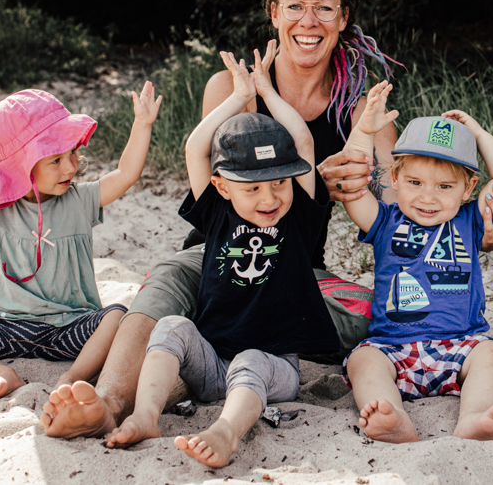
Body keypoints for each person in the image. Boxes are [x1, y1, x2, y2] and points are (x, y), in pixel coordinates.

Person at [41, 0, 493, 439]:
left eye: (324, 8)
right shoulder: (227, 90)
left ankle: (221, 373)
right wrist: (245, 99)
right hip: (215, 256)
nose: (308, 20)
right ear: (274, 13)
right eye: (294, 6)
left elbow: (411, 213)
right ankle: (110, 402)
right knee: (165, 284)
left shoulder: (360, 111)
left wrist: (478, 234)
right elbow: (207, 178)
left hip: (299, 269)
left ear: (343, 18)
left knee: (380, 319)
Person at [102, 46, 336, 468]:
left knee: (250, 361)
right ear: (223, 186)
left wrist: (266, 89)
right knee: (172, 326)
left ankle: (226, 432)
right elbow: (196, 146)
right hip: (211, 362)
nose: (270, 197)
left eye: (280, 183)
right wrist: (237, 95)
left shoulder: (298, 218)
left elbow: (302, 140)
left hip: (273, 366)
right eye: (253, 187)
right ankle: (146, 414)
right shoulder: (216, 212)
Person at [0, 52, 161, 401]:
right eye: (55, 160)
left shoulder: (79, 201)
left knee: (118, 316)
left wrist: (142, 125)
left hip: (65, 329)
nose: (70, 167)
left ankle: (71, 376)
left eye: (73, 153)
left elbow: (126, 174)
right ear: (20, 165)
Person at [339, 81, 493, 443]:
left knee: (491, 354)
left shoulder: (469, 221)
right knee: (363, 362)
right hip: (392, 348)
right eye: (415, 182)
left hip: (461, 344)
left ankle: (475, 417)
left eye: (444, 186)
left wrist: (480, 134)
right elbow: (352, 185)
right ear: (394, 178)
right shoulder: (385, 220)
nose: (428, 197)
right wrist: (362, 131)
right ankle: (392, 418)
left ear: (468, 189)